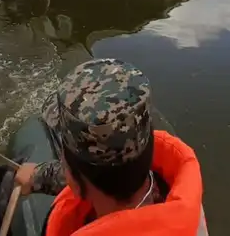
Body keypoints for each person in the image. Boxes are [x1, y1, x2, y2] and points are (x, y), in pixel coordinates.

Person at [15, 58, 209, 235]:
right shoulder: (185, 206)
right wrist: (39, 177)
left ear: (74, 177)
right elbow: (101, 178)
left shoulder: (90, 182)